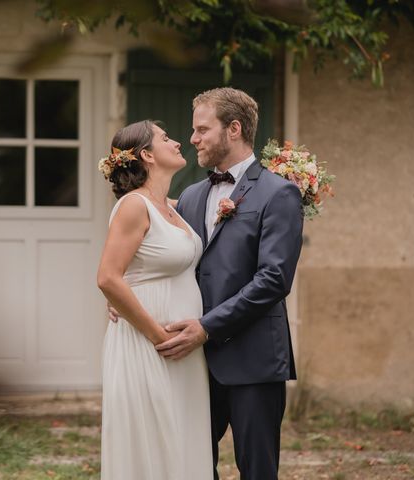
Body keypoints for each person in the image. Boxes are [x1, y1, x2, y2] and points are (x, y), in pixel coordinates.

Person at [152, 87, 304, 479]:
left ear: (233, 129)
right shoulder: (190, 196)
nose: (193, 139)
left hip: (254, 359)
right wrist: (126, 294)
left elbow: (273, 280)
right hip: (196, 364)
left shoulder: (279, 193)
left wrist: (206, 327)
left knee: (256, 470)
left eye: (202, 129)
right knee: (192, 466)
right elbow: (173, 261)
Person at [97, 120, 214, 480]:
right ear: (147, 154)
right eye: (165, 138)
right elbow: (108, 277)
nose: (178, 142)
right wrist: (159, 337)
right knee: (152, 443)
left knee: (181, 440)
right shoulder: (134, 206)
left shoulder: (175, 208)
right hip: (148, 346)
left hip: (184, 348)